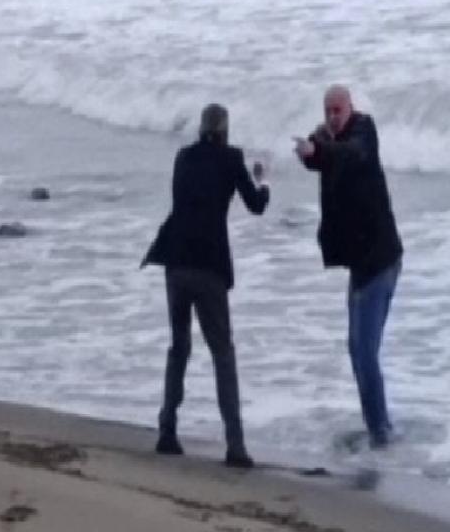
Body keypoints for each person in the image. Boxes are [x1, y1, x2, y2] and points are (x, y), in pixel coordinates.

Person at [143, 104, 269, 469]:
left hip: (175, 258)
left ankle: (167, 429)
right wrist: (264, 181)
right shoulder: (231, 159)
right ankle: (235, 445)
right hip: (208, 265)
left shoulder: (183, 157)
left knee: (179, 346)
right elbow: (256, 205)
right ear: (225, 130)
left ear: (201, 128)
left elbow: (185, 202)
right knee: (222, 353)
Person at [295, 85, 402, 449]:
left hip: (381, 260)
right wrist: (310, 149)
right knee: (356, 350)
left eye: (337, 110)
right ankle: (377, 426)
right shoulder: (329, 138)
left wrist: (319, 148)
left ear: (350, 108)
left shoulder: (363, 131)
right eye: (327, 111)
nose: (331, 117)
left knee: (364, 350)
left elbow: (351, 154)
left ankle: (381, 433)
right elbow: (318, 157)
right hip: (359, 263)